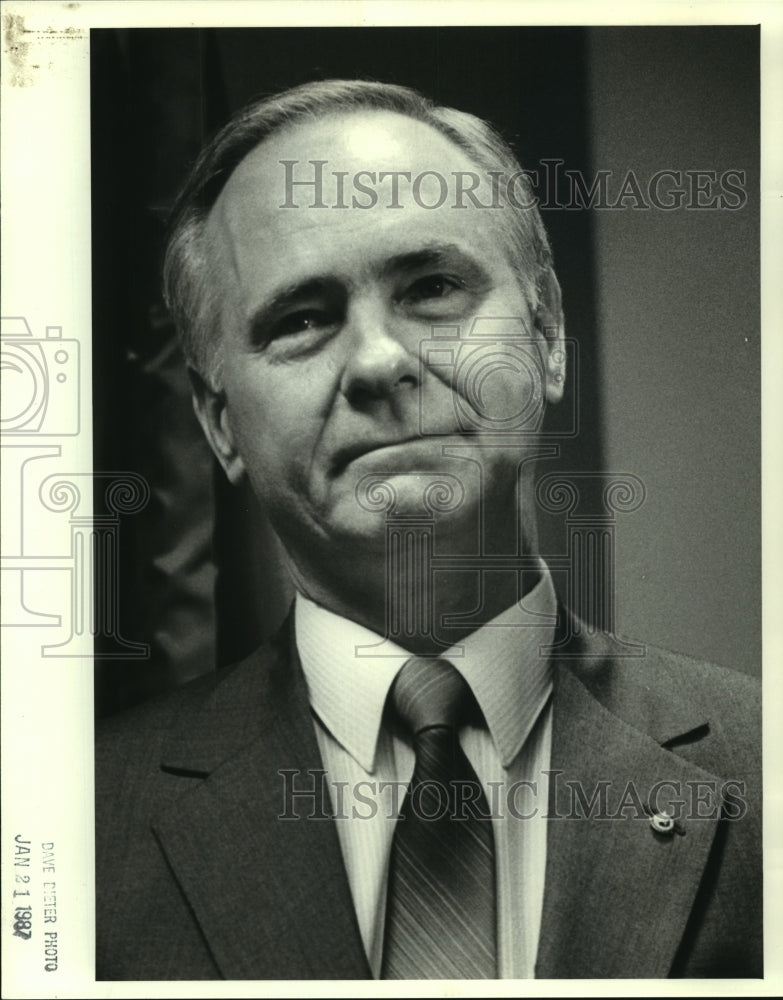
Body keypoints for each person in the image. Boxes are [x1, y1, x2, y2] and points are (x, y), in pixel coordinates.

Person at [95, 79, 761, 980]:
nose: (377, 361)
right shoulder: (71, 825)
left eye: (433, 287)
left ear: (548, 337)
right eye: (299, 320)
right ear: (218, 422)